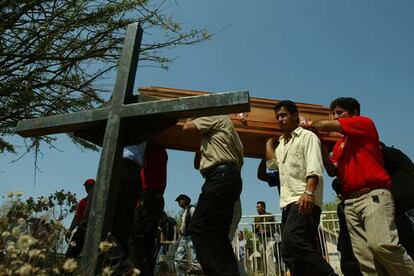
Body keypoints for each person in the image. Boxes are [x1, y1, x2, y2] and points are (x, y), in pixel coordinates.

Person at [304, 97, 414, 275]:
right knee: (365, 256)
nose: (335, 117)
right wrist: (323, 148)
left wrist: (311, 124)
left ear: (354, 113)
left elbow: (324, 125)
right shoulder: (340, 145)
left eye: (339, 113)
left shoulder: (365, 125)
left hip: (373, 195)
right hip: (350, 202)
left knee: (382, 245)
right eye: (332, 114)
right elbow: (333, 170)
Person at [266, 100, 337, 276]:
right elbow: (273, 165)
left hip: (303, 199)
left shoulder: (308, 137)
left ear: (295, 116)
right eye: (278, 117)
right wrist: (268, 143)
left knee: (294, 242)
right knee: (288, 253)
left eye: (284, 115)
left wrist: (309, 192)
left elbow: (314, 167)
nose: (280, 119)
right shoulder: (281, 144)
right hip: (287, 203)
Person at [183, 115, 243, 275]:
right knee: (218, 235)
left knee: (199, 226)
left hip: (220, 177)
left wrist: (190, 119)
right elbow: (197, 164)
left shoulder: (216, 117)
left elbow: (186, 127)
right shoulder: (225, 135)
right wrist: (202, 139)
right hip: (230, 178)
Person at [127, 143, 168, 276]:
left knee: (136, 240)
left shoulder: (152, 147)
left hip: (148, 195)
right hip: (155, 197)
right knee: (146, 244)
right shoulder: (160, 149)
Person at [66, 178, 95, 258]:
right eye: (86, 186)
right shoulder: (83, 202)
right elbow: (77, 218)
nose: (87, 188)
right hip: (82, 230)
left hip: (92, 231)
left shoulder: (99, 202)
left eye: (90, 186)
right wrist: (70, 230)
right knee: (71, 254)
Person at [174, 194, 202, 275]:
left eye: (180, 200)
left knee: (194, 262)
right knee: (178, 260)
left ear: (185, 200)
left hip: (191, 238)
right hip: (183, 238)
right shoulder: (184, 211)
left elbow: (197, 221)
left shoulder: (192, 209)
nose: (179, 203)